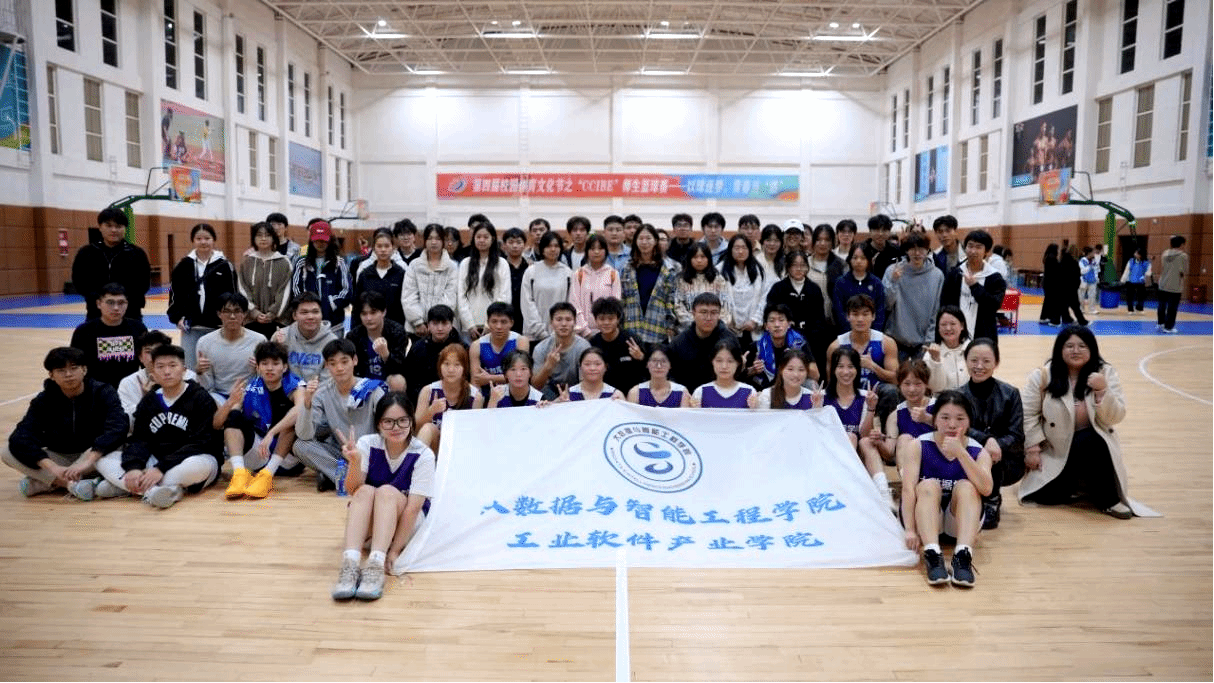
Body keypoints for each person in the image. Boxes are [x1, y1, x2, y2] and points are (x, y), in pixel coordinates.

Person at [1021, 326, 1147, 518]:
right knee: (1046, 497)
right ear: (1059, 349)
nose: (1076, 351)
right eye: (1069, 346)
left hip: (1094, 449)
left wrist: (1102, 391)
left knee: (1090, 438)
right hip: (1054, 451)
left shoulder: (1105, 373)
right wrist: (1032, 449)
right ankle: (1078, 486)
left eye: (1082, 346)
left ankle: (1109, 501)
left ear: (1092, 349)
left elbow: (1115, 417)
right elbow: (1028, 415)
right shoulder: (1042, 376)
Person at [331, 392, 436, 601]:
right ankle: (350, 564)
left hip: (406, 524)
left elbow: (413, 509)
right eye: (388, 421)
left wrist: (395, 551)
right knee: (365, 491)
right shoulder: (367, 443)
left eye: (402, 420)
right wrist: (354, 462)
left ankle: (376, 565)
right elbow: (353, 490)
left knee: (386, 492)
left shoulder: (423, 454)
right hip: (376, 523)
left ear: (411, 421)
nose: (396, 427)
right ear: (378, 424)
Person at [93, 345, 223, 508]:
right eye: (160, 367)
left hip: (193, 460)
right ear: (153, 373)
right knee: (102, 459)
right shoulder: (149, 401)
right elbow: (139, 439)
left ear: (184, 370)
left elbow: (201, 443)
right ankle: (159, 491)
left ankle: (128, 487)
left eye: (172, 365)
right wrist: (133, 468)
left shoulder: (200, 397)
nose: (167, 372)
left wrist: (161, 468)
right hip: (156, 461)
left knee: (195, 467)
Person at [3, 347, 127, 498]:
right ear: (51, 375)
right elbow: (21, 436)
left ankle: (46, 482)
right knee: (7, 452)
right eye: (61, 370)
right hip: (60, 457)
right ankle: (71, 484)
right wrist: (52, 467)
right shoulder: (43, 400)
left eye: (74, 368)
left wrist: (87, 462)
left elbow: (118, 427)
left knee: (118, 442)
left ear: (84, 370)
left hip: (92, 455)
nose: (68, 374)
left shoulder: (103, 392)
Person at [899, 390, 993, 587]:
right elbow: (907, 490)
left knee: (967, 486)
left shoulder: (978, 451)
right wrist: (909, 530)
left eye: (960, 418)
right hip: (924, 520)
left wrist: (961, 453)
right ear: (934, 419)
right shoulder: (918, 445)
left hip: (957, 523)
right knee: (927, 485)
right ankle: (932, 554)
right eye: (945, 417)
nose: (952, 424)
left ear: (969, 421)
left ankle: (963, 556)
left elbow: (986, 489)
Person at [294, 339, 388, 492]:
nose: (339, 368)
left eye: (344, 362)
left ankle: (336, 477)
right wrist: (307, 403)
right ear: (326, 365)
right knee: (300, 445)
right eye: (333, 363)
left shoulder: (372, 389)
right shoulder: (321, 392)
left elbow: (387, 427)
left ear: (355, 360)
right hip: (344, 454)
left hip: (373, 454)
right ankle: (344, 477)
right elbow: (305, 435)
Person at [215, 341, 304, 499]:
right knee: (234, 416)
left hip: (287, 460)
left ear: (284, 367)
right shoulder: (250, 387)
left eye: (275, 364)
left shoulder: (295, 384)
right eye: (264, 364)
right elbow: (217, 424)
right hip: (259, 453)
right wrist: (230, 402)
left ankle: (267, 476)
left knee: (291, 421)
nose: (270, 368)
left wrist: (272, 433)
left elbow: (300, 410)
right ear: (257, 367)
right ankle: (239, 474)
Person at [812, 346, 892, 510]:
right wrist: (817, 409)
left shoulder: (865, 396)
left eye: (851, 367)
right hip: (831, 457)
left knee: (864, 441)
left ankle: (884, 493)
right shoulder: (822, 397)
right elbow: (817, 436)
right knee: (850, 437)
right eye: (840, 366)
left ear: (857, 370)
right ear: (833, 370)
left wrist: (871, 408)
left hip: (858, 456)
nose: (846, 372)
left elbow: (864, 434)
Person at [956, 338, 1024, 529]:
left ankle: (992, 500)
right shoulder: (957, 396)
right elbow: (957, 429)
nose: (979, 366)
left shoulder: (1011, 393)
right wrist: (987, 440)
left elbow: (1016, 436)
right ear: (966, 361)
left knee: (991, 453)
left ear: (996, 363)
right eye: (974, 360)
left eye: (986, 361)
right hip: (968, 457)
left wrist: (995, 445)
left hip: (1005, 460)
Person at [168, 223, 237, 370]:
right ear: (193, 241)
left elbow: (233, 295)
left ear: (214, 240)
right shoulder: (183, 265)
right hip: (191, 328)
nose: (203, 242)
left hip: (218, 327)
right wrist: (177, 317)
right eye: (199, 238)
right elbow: (175, 294)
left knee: (217, 367)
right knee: (191, 368)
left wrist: (229, 318)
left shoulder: (225, 265)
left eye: (207, 238)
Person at [71, 207, 151, 321]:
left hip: (130, 313)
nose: (113, 230)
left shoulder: (137, 254)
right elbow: (79, 281)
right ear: (100, 227)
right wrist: (101, 300)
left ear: (125, 228)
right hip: (96, 313)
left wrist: (122, 300)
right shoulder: (86, 253)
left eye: (118, 226)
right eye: (108, 226)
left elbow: (143, 283)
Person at [69, 283, 147, 389]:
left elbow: (146, 363)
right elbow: (75, 363)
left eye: (121, 303)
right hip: (96, 391)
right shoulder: (84, 331)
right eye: (110, 303)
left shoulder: (138, 328)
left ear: (127, 304)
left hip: (129, 389)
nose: (116, 308)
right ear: (98, 304)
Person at [765, 250, 829, 376]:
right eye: (794, 265)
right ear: (788, 267)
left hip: (812, 340)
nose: (799, 269)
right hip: (785, 339)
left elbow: (820, 318)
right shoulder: (778, 288)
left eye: (802, 265)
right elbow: (771, 314)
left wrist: (811, 335)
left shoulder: (814, 289)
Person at [883, 231, 944, 360]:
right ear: (906, 250)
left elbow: (937, 311)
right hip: (896, 341)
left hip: (923, 344)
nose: (917, 253)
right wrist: (894, 282)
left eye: (921, 249)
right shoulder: (893, 271)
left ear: (927, 250)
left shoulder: (937, 275)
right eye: (912, 249)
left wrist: (929, 341)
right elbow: (886, 305)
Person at [118, 331, 198, 427]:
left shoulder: (188, 377)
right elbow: (128, 423)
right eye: (148, 352)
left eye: (159, 350)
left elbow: (196, 416)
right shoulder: (128, 383)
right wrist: (148, 399)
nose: (153, 356)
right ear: (140, 357)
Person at [195, 292, 265, 402]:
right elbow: (206, 386)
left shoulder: (259, 341)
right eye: (227, 311)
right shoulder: (205, 342)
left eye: (237, 311)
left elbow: (266, 378)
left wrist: (261, 369)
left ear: (245, 314)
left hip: (249, 393)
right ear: (219, 314)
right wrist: (200, 372)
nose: (232, 316)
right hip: (219, 394)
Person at [940, 229, 1007, 342]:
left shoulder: (995, 278)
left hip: (983, 335)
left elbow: (994, 304)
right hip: (955, 335)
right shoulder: (955, 274)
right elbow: (944, 304)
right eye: (970, 246)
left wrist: (975, 286)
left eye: (978, 247)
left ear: (986, 251)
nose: (973, 251)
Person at [619, 224, 680, 346]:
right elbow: (622, 297)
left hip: (658, 326)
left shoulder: (668, 268)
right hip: (632, 325)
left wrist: (671, 324)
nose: (644, 242)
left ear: (655, 241)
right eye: (640, 238)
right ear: (635, 241)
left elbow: (672, 299)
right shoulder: (627, 267)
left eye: (648, 238)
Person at [415, 344, 482, 452]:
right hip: (435, 448)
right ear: (439, 366)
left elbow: (476, 434)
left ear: (464, 368)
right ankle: (415, 461)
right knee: (427, 428)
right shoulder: (428, 391)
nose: (451, 370)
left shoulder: (475, 396)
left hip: (461, 447)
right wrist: (431, 411)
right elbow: (416, 429)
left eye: (457, 365)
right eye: (446, 364)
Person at [291, 220, 353, 335]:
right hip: (307, 322)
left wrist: (331, 304)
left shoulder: (339, 263)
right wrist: (306, 307)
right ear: (311, 240)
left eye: (324, 240)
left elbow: (346, 290)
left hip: (334, 324)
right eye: (317, 240)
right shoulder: (301, 263)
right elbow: (296, 290)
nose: (320, 243)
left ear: (329, 240)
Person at [827, 294, 899, 392]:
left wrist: (873, 366)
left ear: (873, 316)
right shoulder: (836, 346)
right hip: (848, 393)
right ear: (848, 317)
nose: (860, 319)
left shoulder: (886, 343)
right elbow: (831, 383)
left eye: (865, 314)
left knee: (891, 390)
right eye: (855, 314)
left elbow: (896, 380)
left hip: (877, 391)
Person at [669, 293, 739, 394]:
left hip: (722, 396)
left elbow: (737, 375)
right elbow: (671, 375)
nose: (708, 317)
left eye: (714, 313)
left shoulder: (730, 340)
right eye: (703, 312)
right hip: (687, 398)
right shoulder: (678, 342)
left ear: (719, 314)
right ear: (693, 313)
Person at [401, 223, 460, 337]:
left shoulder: (452, 267)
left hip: (442, 327)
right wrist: (418, 322)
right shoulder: (414, 265)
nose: (433, 242)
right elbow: (408, 296)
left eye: (437, 238)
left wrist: (435, 323)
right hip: (416, 328)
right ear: (425, 241)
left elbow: (450, 297)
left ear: (443, 241)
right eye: (430, 238)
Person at [403, 304, 467, 407]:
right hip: (425, 399)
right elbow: (410, 379)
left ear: (451, 325)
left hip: (457, 399)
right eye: (435, 323)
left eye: (444, 323)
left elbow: (466, 377)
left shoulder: (462, 347)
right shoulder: (418, 348)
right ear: (428, 325)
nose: (440, 328)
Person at [456, 221, 511, 340]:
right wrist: (469, 324)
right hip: (469, 328)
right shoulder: (465, 263)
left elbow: (504, 296)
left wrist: (490, 323)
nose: (482, 240)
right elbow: (461, 296)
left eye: (486, 237)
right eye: (478, 237)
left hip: (495, 326)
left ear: (493, 239)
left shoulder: (502, 264)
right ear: (473, 239)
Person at [345, 291, 410, 392]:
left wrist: (386, 355)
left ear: (383, 312)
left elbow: (400, 368)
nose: (369, 318)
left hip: (388, 381)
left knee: (397, 380)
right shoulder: (353, 336)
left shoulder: (397, 332)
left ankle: (395, 402)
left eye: (373, 312)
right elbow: (351, 368)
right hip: (363, 382)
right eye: (364, 314)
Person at [238, 221, 293, 339]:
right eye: (259, 235)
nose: (263, 238)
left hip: (278, 321)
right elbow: (242, 288)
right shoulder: (246, 262)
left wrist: (273, 313)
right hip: (251, 321)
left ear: (273, 238)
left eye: (267, 235)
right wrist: (253, 312)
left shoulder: (284, 262)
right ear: (253, 238)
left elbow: (286, 291)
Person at [531, 302, 591, 400]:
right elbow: (535, 386)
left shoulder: (583, 347)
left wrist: (569, 396)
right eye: (559, 320)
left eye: (568, 320)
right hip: (548, 395)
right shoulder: (541, 348)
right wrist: (548, 366)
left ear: (575, 322)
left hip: (576, 392)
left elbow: (587, 382)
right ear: (551, 323)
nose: (563, 324)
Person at [273, 292, 338, 383]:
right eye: (304, 312)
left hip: (319, 390)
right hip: (287, 389)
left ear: (321, 314)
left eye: (315, 312)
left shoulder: (332, 342)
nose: (310, 317)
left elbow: (329, 380)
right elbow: (273, 372)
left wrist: (310, 390)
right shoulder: (281, 336)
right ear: (294, 315)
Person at [521, 231, 573, 342]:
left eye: (556, 246)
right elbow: (527, 303)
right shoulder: (531, 271)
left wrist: (558, 330)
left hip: (560, 334)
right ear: (542, 248)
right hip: (534, 335)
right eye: (549, 246)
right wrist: (541, 331)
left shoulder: (567, 273)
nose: (553, 249)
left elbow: (570, 303)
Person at [470, 302, 529, 400]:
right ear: (488, 323)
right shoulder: (477, 345)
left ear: (511, 323)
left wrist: (490, 378)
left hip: (514, 396)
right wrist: (477, 404)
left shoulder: (521, 341)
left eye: (503, 322)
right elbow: (476, 382)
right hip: (487, 397)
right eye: (494, 321)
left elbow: (522, 376)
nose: (498, 326)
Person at [586, 297, 646, 394]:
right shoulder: (593, 343)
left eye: (611, 319)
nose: (606, 323)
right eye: (602, 319)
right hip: (603, 395)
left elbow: (648, 370)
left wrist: (641, 357)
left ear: (618, 319)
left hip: (631, 394)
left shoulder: (632, 340)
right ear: (595, 320)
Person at [882, 359, 936, 466]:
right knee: (904, 438)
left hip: (937, 461)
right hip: (911, 465)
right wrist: (878, 442)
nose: (912, 389)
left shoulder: (939, 407)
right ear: (899, 385)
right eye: (907, 384)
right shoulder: (895, 415)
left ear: (926, 384)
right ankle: (906, 476)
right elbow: (889, 452)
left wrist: (927, 418)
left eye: (917, 384)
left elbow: (951, 433)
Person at [750, 303, 815, 389]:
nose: (777, 325)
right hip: (766, 390)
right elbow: (741, 376)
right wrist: (753, 371)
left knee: (810, 384)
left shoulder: (800, 343)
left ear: (789, 324)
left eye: (781, 320)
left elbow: (816, 375)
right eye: (772, 321)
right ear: (766, 326)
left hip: (793, 385)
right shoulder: (757, 346)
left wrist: (797, 366)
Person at [568, 234, 622, 338]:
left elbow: (615, 305)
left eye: (600, 248)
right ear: (587, 251)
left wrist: (606, 328)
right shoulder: (579, 274)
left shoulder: (613, 274)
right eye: (592, 249)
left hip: (607, 332)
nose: (596, 252)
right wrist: (585, 331)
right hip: (582, 333)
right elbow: (574, 303)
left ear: (606, 251)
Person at [352, 228, 407, 326]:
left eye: (387, 246)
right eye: (379, 246)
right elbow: (357, 306)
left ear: (393, 248)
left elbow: (405, 305)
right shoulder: (365, 274)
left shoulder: (401, 273)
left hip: (395, 327)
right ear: (374, 248)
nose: (383, 250)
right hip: (368, 327)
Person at [675, 243, 734, 335]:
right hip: (689, 331)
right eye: (695, 257)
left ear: (709, 259)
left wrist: (714, 324)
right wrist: (696, 324)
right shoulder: (682, 280)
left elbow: (725, 306)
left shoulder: (718, 279)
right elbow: (678, 306)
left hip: (716, 331)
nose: (699, 260)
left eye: (703, 257)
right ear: (689, 259)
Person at [720, 235, 766, 345]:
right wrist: (726, 320)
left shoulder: (759, 270)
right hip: (727, 329)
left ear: (750, 250)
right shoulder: (720, 270)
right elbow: (717, 299)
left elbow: (763, 298)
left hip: (753, 329)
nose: (740, 251)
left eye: (744, 248)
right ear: (730, 250)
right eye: (736, 248)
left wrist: (755, 320)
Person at [833, 244, 886, 333]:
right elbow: (838, 311)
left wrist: (873, 333)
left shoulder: (876, 283)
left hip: (871, 334)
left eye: (863, 258)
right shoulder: (841, 283)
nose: (858, 261)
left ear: (869, 260)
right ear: (850, 259)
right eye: (855, 258)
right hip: (847, 333)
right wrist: (850, 332)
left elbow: (880, 311)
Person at [691, 339, 756, 409]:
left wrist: (755, 407)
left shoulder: (749, 392)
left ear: (738, 363)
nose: (724, 366)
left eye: (730, 361)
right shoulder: (701, 392)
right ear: (712, 361)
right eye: (719, 361)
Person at [923, 306, 971, 393]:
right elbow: (936, 388)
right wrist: (935, 361)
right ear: (938, 328)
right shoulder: (930, 354)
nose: (948, 328)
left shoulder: (972, 349)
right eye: (943, 325)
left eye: (953, 324)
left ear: (962, 326)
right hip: (942, 399)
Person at [807, 224, 846, 325]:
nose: (822, 243)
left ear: (832, 242)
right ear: (813, 241)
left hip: (834, 321)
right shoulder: (805, 264)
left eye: (827, 240)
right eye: (819, 240)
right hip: (810, 319)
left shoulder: (841, 265)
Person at [500, 228, 530, 334]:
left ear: (524, 245)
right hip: (503, 314)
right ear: (504, 245)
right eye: (511, 242)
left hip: (525, 316)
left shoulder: (530, 267)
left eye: (519, 242)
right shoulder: (498, 267)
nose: (515, 246)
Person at [1156, 235, 1188, 333]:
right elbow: (1184, 271)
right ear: (1181, 244)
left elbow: (1163, 266)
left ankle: (1160, 323)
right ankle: (1168, 327)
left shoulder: (1165, 254)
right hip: (1175, 285)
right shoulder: (1183, 256)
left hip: (1163, 283)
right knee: (1172, 307)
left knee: (1161, 305)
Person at [1058, 243, 1089, 326]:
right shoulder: (1073, 262)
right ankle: (1082, 321)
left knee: (1064, 304)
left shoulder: (1062, 260)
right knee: (1075, 305)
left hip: (1063, 286)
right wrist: (1077, 284)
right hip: (1071, 287)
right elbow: (1076, 274)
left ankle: (1066, 318)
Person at [862, 214, 901, 279]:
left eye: (884, 230)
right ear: (870, 231)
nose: (880, 234)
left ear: (889, 232)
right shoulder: (862, 250)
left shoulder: (896, 250)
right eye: (877, 230)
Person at [1120, 247, 1152, 315]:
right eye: (1135, 253)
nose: (1135, 254)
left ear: (1141, 255)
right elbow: (1127, 271)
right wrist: (1123, 280)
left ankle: (1139, 308)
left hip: (1141, 282)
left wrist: (1145, 279)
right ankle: (1130, 309)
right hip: (1131, 281)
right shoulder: (1131, 261)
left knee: (1141, 295)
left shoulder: (1146, 262)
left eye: (1137, 253)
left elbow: (1148, 272)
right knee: (1130, 295)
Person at [1077, 246, 1100, 317]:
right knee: (1081, 295)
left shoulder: (1094, 261)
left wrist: (1097, 278)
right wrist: (1089, 266)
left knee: (1092, 295)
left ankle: (1092, 309)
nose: (1094, 254)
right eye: (1092, 252)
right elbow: (1082, 271)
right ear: (1089, 253)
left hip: (1092, 280)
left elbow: (1097, 270)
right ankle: (1081, 309)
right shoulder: (1082, 261)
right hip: (1084, 280)